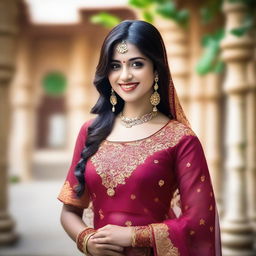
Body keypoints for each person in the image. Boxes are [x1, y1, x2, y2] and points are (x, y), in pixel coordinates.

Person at [58, 20, 222, 256]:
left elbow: (199, 222)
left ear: (156, 69)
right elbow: (70, 211)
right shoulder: (91, 132)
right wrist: (87, 240)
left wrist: (134, 236)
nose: (124, 76)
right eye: (115, 66)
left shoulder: (181, 139)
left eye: (136, 64)